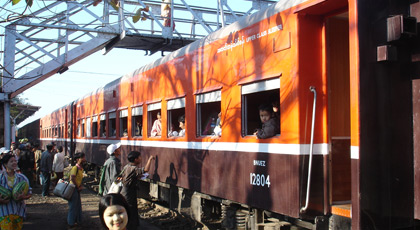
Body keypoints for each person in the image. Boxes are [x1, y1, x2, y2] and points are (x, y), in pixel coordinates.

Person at [121, 151, 154, 230]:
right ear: (136, 159)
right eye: (140, 157)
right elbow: (145, 169)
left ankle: (131, 225)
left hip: (126, 190)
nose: (141, 159)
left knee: (130, 207)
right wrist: (150, 159)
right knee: (130, 208)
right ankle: (130, 226)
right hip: (128, 191)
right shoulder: (134, 168)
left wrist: (139, 177)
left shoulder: (127, 166)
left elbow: (130, 177)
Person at [0, 153, 32, 230]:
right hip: (4, 212)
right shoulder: (0, 178)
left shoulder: (22, 178)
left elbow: (29, 193)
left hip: (18, 211)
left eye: (15, 161)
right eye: (11, 161)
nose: (14, 163)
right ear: (5, 164)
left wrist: (24, 197)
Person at [67, 152, 86, 228]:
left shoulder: (80, 169)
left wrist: (80, 185)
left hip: (76, 189)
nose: (84, 159)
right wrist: (78, 187)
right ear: (78, 159)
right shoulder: (75, 168)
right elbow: (72, 178)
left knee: (77, 205)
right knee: (73, 206)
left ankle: (76, 220)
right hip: (73, 189)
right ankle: (71, 223)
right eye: (83, 158)